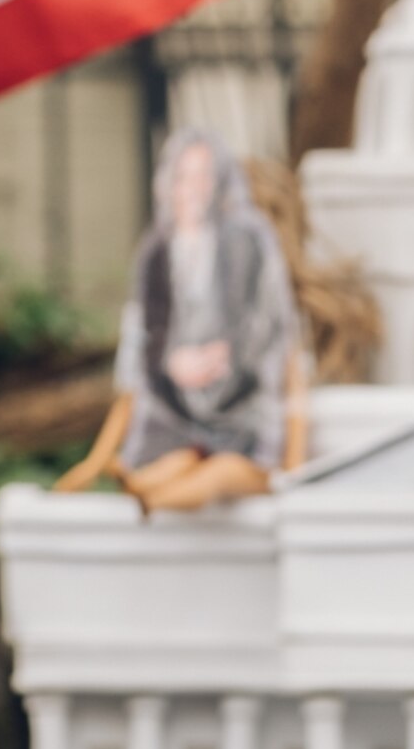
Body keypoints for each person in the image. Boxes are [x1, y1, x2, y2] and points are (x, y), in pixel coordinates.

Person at [60, 128, 304, 514]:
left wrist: (294, 467)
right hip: (184, 432)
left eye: (203, 177)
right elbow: (135, 377)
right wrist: (95, 461)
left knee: (217, 474)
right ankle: (144, 489)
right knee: (176, 465)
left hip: (245, 439)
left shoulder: (247, 254)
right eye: (183, 177)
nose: (192, 190)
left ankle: (149, 497)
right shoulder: (158, 258)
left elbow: (286, 364)